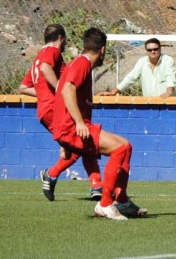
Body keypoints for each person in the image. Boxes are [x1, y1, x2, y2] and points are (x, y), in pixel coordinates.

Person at [52, 27, 147, 220]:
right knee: (120, 148)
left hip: (69, 129)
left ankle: (121, 200)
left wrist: (63, 141)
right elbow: (66, 90)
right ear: (102, 50)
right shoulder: (83, 63)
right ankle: (104, 204)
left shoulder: (77, 63)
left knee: (126, 147)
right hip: (73, 128)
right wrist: (78, 123)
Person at [19, 24, 103, 202]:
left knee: (82, 142)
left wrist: (45, 94)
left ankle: (96, 186)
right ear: (60, 38)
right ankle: (53, 174)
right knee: (81, 142)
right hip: (54, 108)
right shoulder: (52, 52)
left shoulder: (37, 58)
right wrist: (59, 90)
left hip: (45, 109)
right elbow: (45, 69)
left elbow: (23, 87)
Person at [98, 38, 176, 97]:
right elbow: (131, 77)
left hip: (166, 102)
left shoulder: (167, 60)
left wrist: (169, 92)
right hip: (149, 104)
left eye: (155, 49)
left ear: (160, 49)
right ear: (146, 51)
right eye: (149, 50)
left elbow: (170, 77)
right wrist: (114, 91)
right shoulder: (142, 62)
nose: (153, 51)